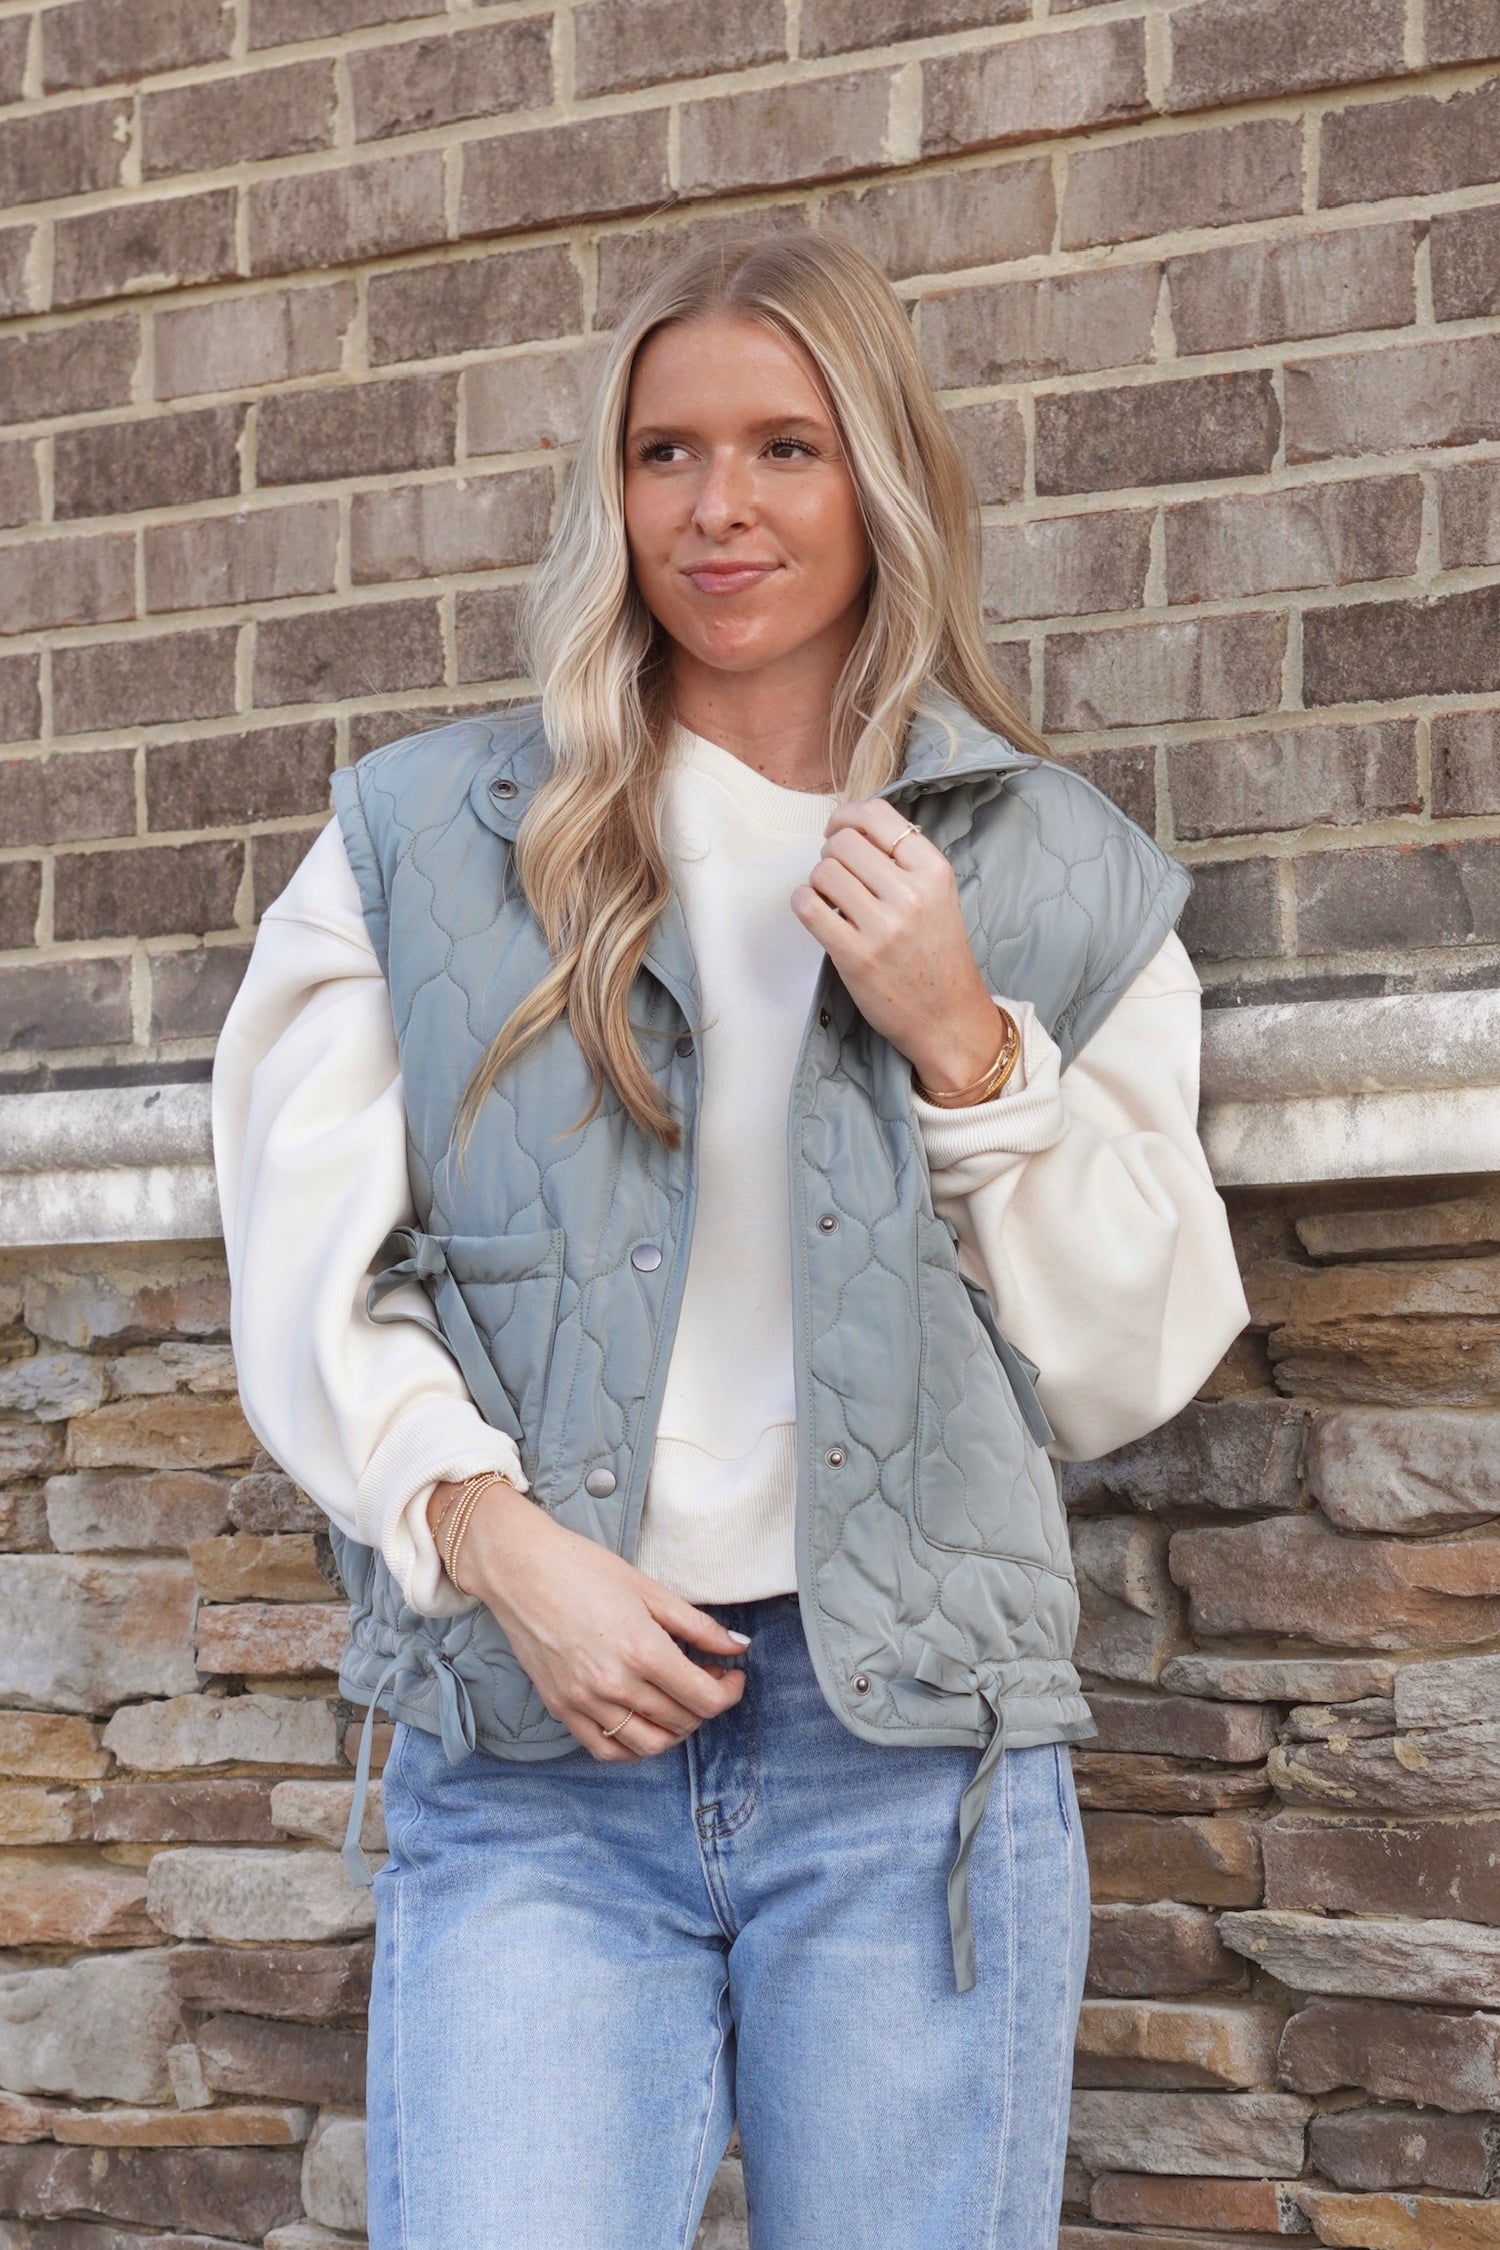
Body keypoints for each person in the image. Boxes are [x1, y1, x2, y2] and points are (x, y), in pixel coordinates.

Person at [212, 228, 1248, 2250]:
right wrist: (502, 1552)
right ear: (610, 493)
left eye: (787, 446)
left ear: (884, 476)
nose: (720, 508)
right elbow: (311, 1268)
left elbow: (1132, 1358)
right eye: (665, 452)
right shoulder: (421, 840)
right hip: (535, 1756)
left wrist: (962, 1037)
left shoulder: (1058, 871)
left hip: (908, 1776)